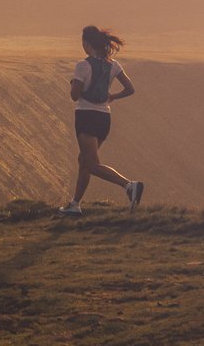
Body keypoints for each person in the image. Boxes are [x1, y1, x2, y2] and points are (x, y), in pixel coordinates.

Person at [59, 24, 143, 214]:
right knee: (84, 160)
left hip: (86, 116)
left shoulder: (83, 65)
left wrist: (73, 82)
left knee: (91, 164)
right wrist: (112, 96)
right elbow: (130, 89)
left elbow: (74, 95)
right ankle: (74, 204)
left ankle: (129, 185)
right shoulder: (113, 64)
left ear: (87, 44)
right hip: (104, 118)